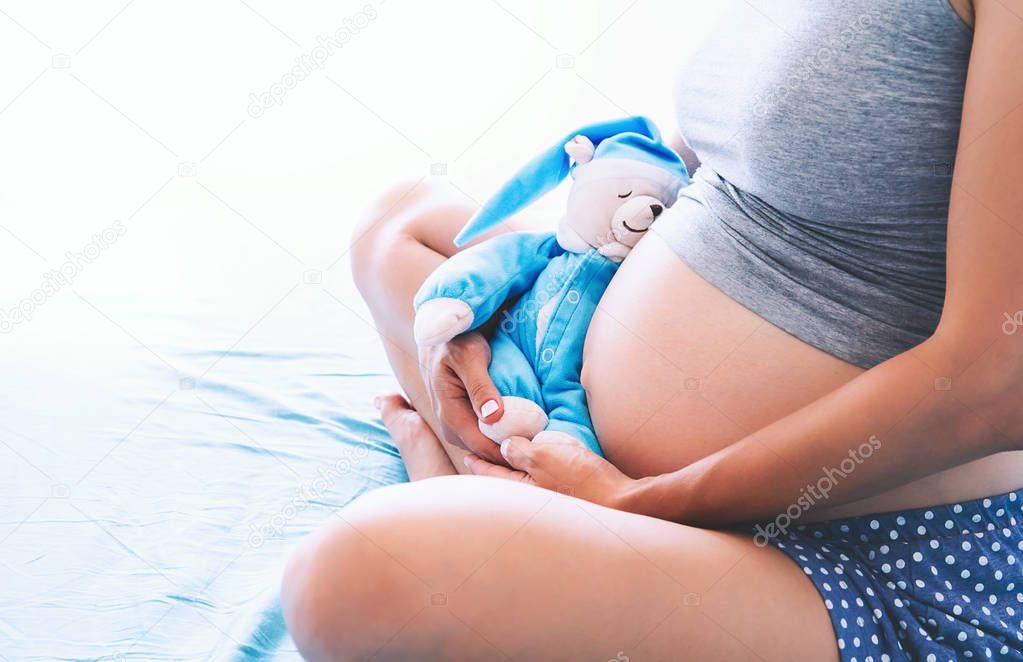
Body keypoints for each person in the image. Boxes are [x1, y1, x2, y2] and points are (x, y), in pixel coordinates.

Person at [283, 0, 1023, 659]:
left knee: (353, 579)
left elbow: (997, 383)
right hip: (598, 437)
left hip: (856, 542)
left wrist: (637, 503)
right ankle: (513, 503)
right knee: (402, 223)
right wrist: (486, 306)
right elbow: (704, 171)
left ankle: (486, 499)